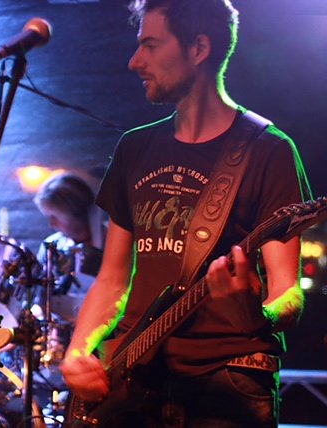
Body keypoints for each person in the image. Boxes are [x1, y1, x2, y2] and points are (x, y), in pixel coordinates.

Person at [60, 0, 311, 427]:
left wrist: (259, 314)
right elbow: (112, 279)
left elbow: (288, 291)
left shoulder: (269, 150)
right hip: (133, 378)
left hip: (225, 385)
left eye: (150, 45)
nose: (134, 61)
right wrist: (78, 352)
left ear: (198, 48)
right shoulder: (134, 147)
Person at [33, 172, 107, 321]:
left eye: (55, 217)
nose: (51, 224)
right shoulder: (50, 247)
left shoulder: (114, 243)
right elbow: (39, 299)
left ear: (75, 214)